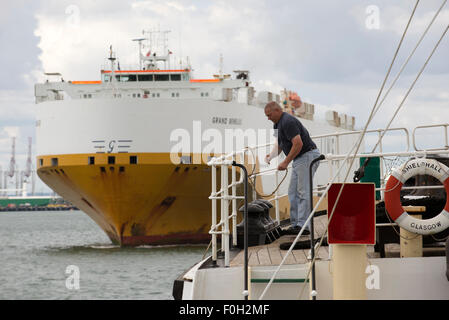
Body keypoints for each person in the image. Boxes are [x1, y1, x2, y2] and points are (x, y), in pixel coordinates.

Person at [264, 100, 320, 235]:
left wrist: (285, 163)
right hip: (299, 158)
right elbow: (280, 145)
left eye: (269, 115)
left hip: (306, 156)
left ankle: (303, 226)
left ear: (277, 111)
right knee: (293, 192)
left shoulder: (288, 121)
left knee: (303, 191)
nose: (268, 118)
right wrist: (271, 156)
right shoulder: (277, 125)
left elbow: (298, 143)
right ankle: (296, 225)